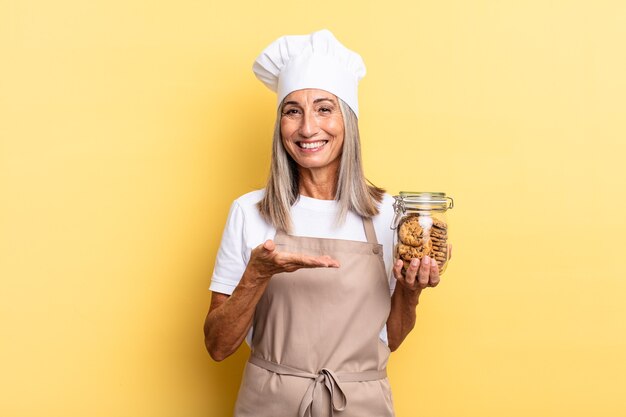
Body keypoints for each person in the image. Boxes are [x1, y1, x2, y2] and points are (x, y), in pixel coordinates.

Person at [204, 29, 444, 417]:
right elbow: (218, 346)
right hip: (270, 404)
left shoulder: (390, 215)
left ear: (348, 119)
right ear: (280, 123)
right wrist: (257, 274)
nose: (307, 128)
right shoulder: (249, 211)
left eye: (324, 108)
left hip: (360, 405)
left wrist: (411, 290)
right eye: (292, 110)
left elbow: (390, 339)